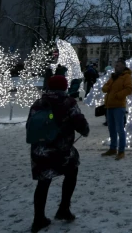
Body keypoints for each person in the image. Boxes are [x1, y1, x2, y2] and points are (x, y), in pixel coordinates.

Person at [28, 75, 90, 232]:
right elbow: (79, 121)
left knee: (43, 182)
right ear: (64, 87)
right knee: (72, 172)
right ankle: (64, 209)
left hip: (40, 149)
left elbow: (30, 124)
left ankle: (38, 218)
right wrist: (85, 130)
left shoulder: (39, 102)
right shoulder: (68, 102)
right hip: (61, 149)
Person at [101, 58, 132, 160]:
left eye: (118, 65)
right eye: (115, 65)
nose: (116, 67)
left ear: (123, 66)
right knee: (111, 129)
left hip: (119, 106)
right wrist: (107, 87)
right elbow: (104, 88)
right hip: (109, 106)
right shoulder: (113, 77)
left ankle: (121, 151)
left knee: (120, 129)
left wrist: (118, 95)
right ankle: (113, 148)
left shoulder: (126, 76)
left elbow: (129, 89)